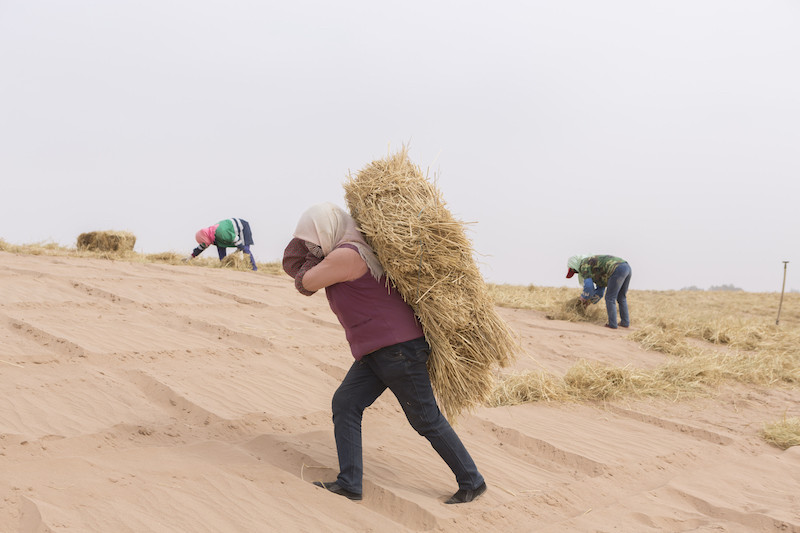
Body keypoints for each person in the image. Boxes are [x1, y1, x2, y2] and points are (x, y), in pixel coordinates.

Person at [282, 202, 486, 504]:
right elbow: (296, 267)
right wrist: (311, 252)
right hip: (380, 350)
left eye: (312, 239)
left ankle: (472, 480)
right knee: (346, 403)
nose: (310, 247)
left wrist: (310, 257)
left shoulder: (347, 254)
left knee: (425, 418)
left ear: (327, 231)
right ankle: (350, 483)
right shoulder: (352, 250)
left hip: (397, 349)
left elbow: (306, 282)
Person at [566, 254, 632, 329]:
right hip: (626, 267)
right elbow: (600, 292)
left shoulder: (584, 264)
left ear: (574, 265)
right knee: (621, 297)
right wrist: (589, 302)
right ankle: (625, 322)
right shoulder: (595, 268)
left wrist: (582, 299)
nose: (577, 272)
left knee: (610, 298)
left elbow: (588, 288)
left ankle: (612, 324)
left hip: (617, 269)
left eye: (574, 271)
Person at [187, 218, 257, 271]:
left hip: (241, 227)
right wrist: (189, 258)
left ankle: (253, 268)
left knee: (245, 249)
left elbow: (236, 239)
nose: (204, 243)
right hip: (226, 233)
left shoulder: (220, 232)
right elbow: (201, 247)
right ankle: (224, 266)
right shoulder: (209, 235)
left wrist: (241, 250)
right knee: (220, 245)